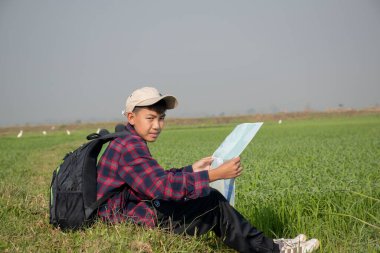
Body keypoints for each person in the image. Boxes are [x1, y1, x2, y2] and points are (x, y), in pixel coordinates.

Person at [97, 87, 320, 253]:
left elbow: (154, 180)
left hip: (127, 211)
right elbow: (162, 188)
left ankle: (269, 245)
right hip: (126, 219)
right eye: (150, 118)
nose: (157, 125)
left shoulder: (126, 140)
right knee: (211, 200)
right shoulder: (130, 145)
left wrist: (191, 170)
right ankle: (275, 250)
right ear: (131, 117)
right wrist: (215, 174)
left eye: (161, 118)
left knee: (205, 199)